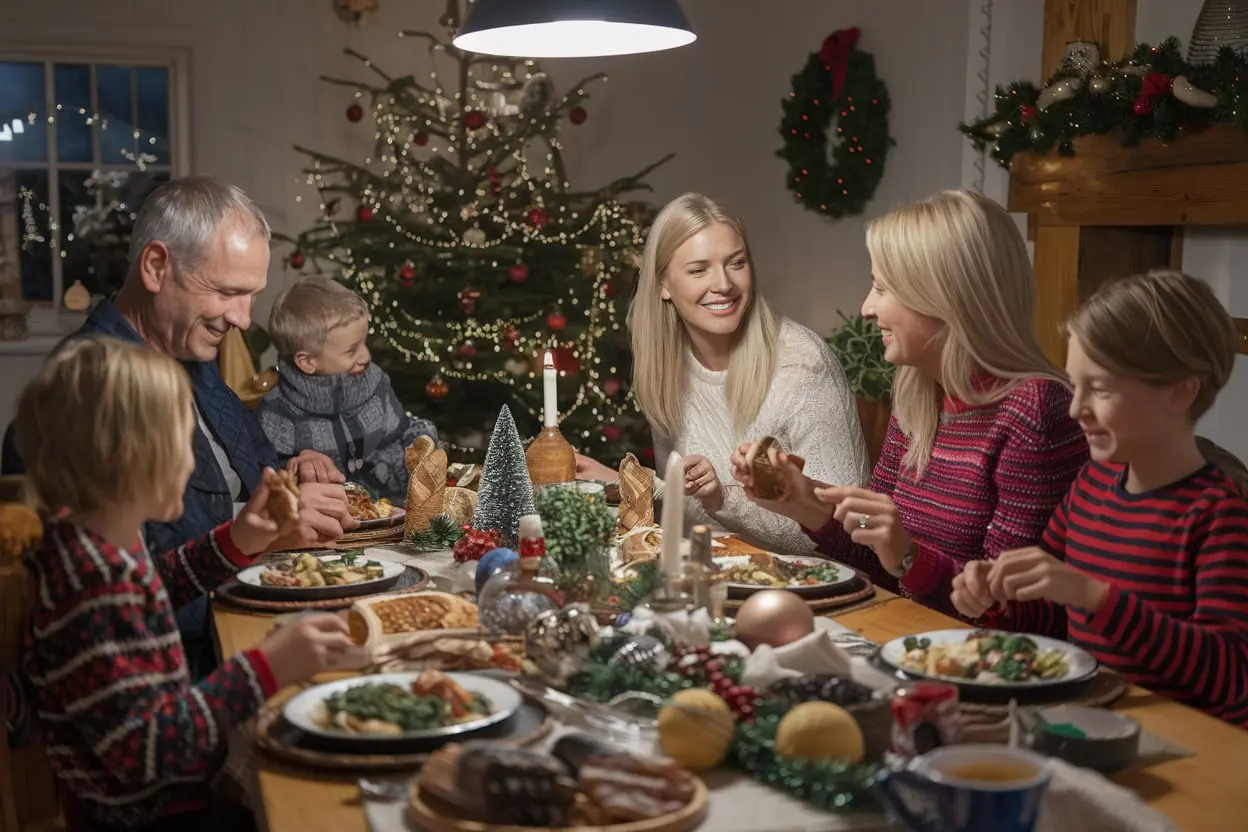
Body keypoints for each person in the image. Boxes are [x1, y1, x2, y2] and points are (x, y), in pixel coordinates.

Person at [1, 175, 357, 676]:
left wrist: (294, 472)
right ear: (156, 267)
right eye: (229, 291)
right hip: (193, 660)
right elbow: (131, 588)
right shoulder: (91, 392)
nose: (243, 319)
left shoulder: (190, 351)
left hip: (250, 608)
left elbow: (255, 466)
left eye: (252, 295)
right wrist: (262, 537)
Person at [15, 335, 357, 830]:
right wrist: (265, 667)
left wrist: (238, 540)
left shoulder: (96, 543)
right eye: (182, 445)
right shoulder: (92, 585)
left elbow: (158, 586)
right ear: (131, 459)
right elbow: (148, 749)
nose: (194, 463)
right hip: (159, 815)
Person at [731, 190, 1088, 631]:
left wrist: (909, 555)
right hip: (915, 641)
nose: (867, 308)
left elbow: (1022, 616)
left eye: (883, 288)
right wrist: (799, 497)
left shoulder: (1035, 411)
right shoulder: (919, 394)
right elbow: (883, 564)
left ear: (943, 297)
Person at [952, 271, 1248, 725]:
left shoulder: (1219, 513)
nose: (1075, 408)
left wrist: (1093, 596)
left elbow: (1229, 675)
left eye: (1102, 388)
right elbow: (1049, 617)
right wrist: (996, 597)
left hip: (1189, 756)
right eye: (1076, 384)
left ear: (1181, 392)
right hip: (1090, 725)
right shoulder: (1090, 483)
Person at [576, 192, 869, 554]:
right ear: (663, 284)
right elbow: (686, 515)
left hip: (817, 588)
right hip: (717, 576)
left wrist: (720, 499)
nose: (724, 284)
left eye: (736, 263)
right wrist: (626, 483)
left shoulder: (802, 364)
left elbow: (845, 531)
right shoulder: (667, 361)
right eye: (699, 270)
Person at [258, 276, 439, 500]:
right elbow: (268, 478)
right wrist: (294, 467)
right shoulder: (278, 411)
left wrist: (421, 443)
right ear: (307, 362)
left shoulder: (376, 384)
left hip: (390, 512)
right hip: (324, 522)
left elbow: (399, 436)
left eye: (364, 343)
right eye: (351, 351)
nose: (366, 356)